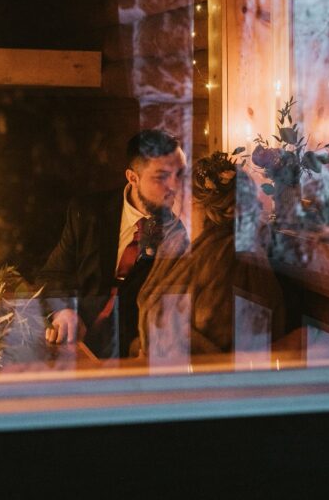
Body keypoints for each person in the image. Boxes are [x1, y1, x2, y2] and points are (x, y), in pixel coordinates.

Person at [37, 129, 189, 358]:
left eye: (179, 175)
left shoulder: (176, 235)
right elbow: (54, 275)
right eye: (161, 177)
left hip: (131, 356)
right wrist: (63, 311)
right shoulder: (88, 212)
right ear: (132, 177)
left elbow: (171, 312)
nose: (175, 186)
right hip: (74, 348)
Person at [137, 151, 285, 361]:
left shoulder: (230, 260)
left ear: (194, 202)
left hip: (202, 383)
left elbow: (218, 344)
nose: (173, 194)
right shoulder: (176, 243)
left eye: (180, 189)